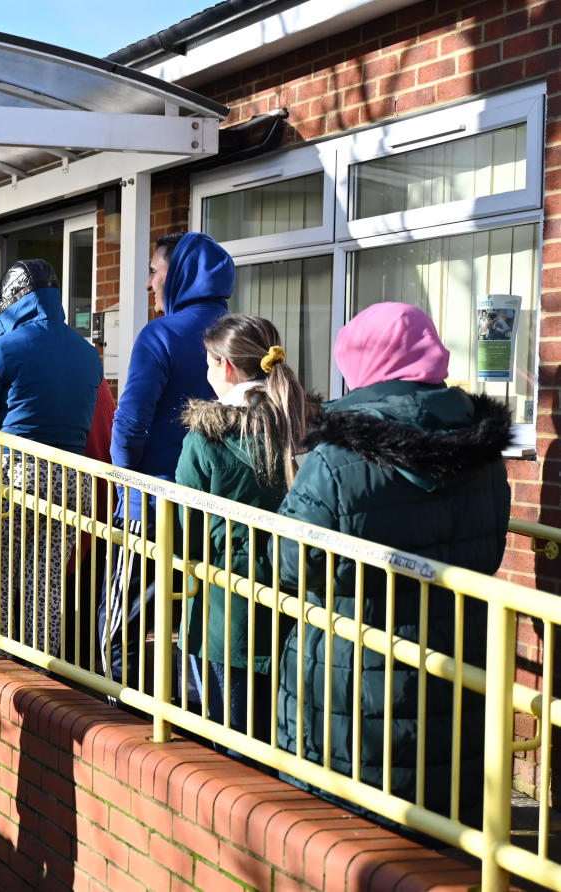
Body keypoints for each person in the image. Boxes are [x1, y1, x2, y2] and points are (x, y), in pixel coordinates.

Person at [275, 301, 511, 822]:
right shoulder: (482, 449)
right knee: (446, 818)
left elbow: (292, 561)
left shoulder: (336, 454)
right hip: (456, 657)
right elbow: (491, 548)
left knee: (344, 830)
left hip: (352, 669)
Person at [102, 231, 232, 686]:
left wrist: (124, 483)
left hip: (152, 503)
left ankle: (120, 707)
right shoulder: (242, 333)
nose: (148, 284)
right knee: (199, 616)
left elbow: (130, 423)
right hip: (220, 509)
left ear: (177, 275)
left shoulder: (161, 334)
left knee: (126, 617)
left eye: (154, 272)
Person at [0, 259, 103, 658]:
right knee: (48, 579)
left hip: (15, 472)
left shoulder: (1, 347)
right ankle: (39, 662)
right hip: (74, 478)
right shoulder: (88, 352)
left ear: (10, 301)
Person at [174, 314, 306, 746]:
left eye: (210, 362)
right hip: (294, 601)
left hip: (223, 608)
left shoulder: (205, 439)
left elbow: (185, 530)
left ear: (226, 367)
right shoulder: (296, 425)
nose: (206, 371)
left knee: (229, 741)